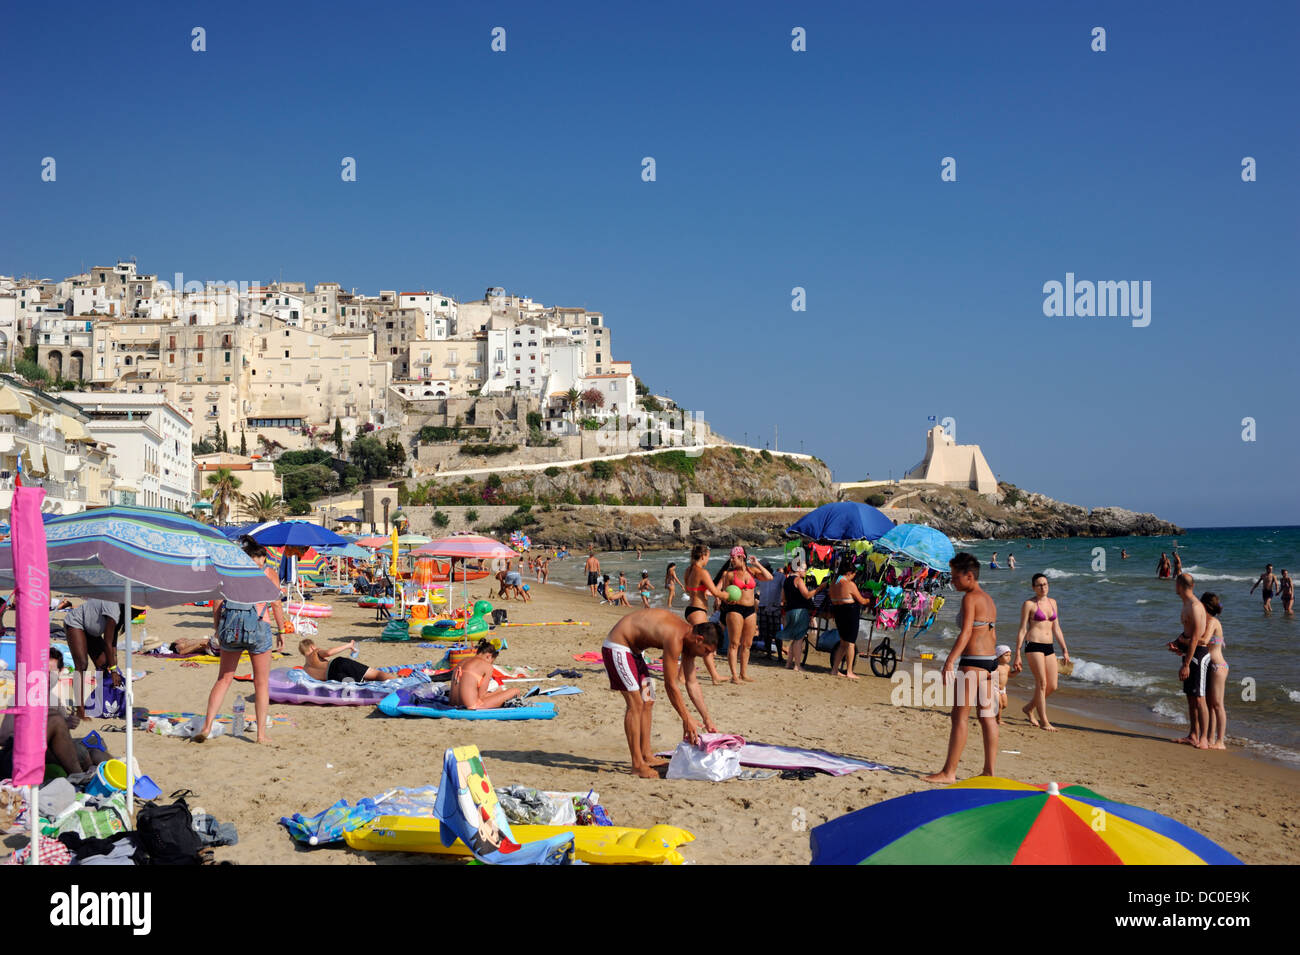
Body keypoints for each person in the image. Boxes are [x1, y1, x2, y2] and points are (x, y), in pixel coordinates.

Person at [600, 609, 721, 778]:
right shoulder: (675, 637)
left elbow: (692, 683)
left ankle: (646, 755)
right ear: (699, 639)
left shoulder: (689, 643)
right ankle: (637, 764)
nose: (706, 655)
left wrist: (706, 718)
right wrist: (686, 718)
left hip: (635, 653)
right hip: (618, 647)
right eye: (707, 651)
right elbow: (670, 684)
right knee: (636, 704)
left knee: (648, 700)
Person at [194, 538, 289, 744]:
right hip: (259, 629)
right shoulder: (268, 573)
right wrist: (281, 630)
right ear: (261, 558)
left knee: (224, 679)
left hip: (232, 629)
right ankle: (261, 735)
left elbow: (217, 603)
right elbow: (276, 604)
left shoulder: (230, 573)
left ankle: (207, 726)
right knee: (261, 683)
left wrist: (218, 629)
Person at [923, 552, 999, 783]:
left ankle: (949, 772)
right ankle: (989, 772)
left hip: (973, 662)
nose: (952, 581)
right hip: (990, 662)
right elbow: (991, 633)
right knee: (987, 717)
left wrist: (949, 661)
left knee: (959, 717)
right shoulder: (988, 598)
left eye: (956, 577)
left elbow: (966, 633)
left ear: (969, 576)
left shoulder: (970, 598)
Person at [1013, 573, 1071, 731]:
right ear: (1033, 587)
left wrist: (1064, 649)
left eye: (1045, 584)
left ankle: (1029, 708)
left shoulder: (1053, 602)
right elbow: (1022, 629)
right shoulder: (1029, 604)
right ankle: (1044, 721)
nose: (1043, 587)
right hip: (1033, 645)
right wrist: (1017, 653)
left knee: (1052, 685)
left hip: (1049, 647)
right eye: (1039, 585)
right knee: (1042, 683)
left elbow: (1056, 628)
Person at [716, 546, 773, 684]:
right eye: (731, 557)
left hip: (750, 610)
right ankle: (734, 676)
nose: (731, 560)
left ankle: (743, 673)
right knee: (734, 643)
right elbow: (723, 595)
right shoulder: (729, 575)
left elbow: (769, 577)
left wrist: (757, 563)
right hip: (735, 609)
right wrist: (728, 599)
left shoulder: (752, 571)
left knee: (747, 644)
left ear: (742, 557)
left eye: (733, 557)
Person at [1166, 573, 1210, 749]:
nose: (1174, 587)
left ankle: (1204, 738)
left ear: (1180, 585)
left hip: (1198, 655)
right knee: (1191, 698)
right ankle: (1193, 735)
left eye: (1175, 584)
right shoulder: (1185, 604)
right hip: (1190, 653)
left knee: (1199, 698)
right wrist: (1177, 644)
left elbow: (1196, 638)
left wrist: (1186, 664)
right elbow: (1187, 633)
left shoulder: (1195, 606)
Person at [63, 598, 124, 720]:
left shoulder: (123, 613)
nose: (137, 615)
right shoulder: (114, 609)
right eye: (136, 612)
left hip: (91, 631)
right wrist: (113, 670)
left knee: (104, 663)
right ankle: (80, 709)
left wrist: (113, 658)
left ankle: (100, 701)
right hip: (76, 623)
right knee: (82, 664)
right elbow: (107, 642)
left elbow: (113, 636)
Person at [681, 545, 728, 685]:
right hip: (698, 610)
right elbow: (716, 592)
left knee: (691, 646)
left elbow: (689, 590)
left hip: (691, 609)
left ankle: (683, 676)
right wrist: (728, 595)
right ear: (702, 556)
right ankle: (714, 676)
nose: (708, 559)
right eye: (708, 556)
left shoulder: (688, 571)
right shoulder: (702, 572)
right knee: (707, 646)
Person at [826, 556, 870, 681]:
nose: (854, 577)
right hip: (849, 613)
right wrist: (870, 600)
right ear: (849, 573)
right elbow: (861, 600)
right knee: (850, 643)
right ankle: (849, 671)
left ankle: (834, 669)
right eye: (853, 575)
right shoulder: (849, 584)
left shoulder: (834, 582)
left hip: (838, 612)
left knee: (843, 643)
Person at [450, 639, 522, 710]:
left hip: (453, 704)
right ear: (489, 656)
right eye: (491, 661)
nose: (490, 664)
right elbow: (482, 697)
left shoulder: (462, 661)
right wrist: (498, 691)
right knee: (515, 691)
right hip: (471, 706)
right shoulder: (487, 666)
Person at [781, 559, 824, 672]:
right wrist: (819, 589)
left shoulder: (787, 580)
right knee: (799, 639)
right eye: (805, 569)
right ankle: (797, 665)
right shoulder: (798, 580)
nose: (806, 571)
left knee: (794, 639)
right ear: (798, 569)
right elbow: (807, 595)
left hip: (789, 611)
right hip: (799, 612)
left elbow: (783, 598)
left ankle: (788, 663)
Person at [1201, 593, 1229, 751]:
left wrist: (1186, 641)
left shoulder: (1212, 622)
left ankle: (1221, 740)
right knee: (1211, 704)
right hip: (1212, 666)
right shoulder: (1208, 621)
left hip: (1218, 667)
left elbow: (1204, 640)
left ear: (1204, 605)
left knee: (1218, 704)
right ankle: (1211, 738)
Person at [300, 638, 388, 683]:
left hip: (333, 678)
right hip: (337, 664)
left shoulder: (305, 669)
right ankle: (398, 684)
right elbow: (329, 653)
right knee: (375, 674)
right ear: (312, 647)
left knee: (363, 681)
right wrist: (348, 646)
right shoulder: (315, 652)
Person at [993, 645, 1012, 724]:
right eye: (1006, 655)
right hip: (994, 688)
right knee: (1000, 705)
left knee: (1004, 705)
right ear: (998, 656)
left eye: (1010, 655)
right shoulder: (995, 666)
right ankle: (998, 720)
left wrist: (1017, 672)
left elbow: (1010, 675)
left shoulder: (1007, 667)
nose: (1009, 657)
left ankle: (991, 711)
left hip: (1003, 689)